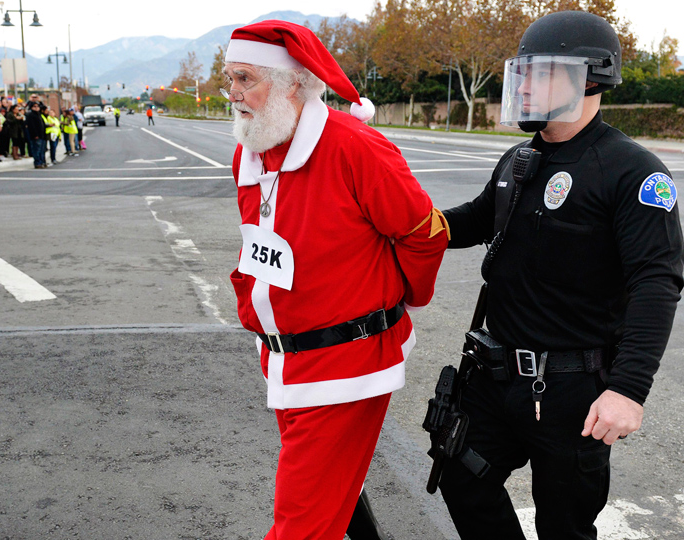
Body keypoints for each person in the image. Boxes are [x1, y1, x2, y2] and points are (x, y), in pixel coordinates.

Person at [438, 11, 684, 540]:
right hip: (493, 376)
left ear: (591, 77)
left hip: (573, 391)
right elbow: (470, 222)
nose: (526, 85)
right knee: (460, 478)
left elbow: (656, 282)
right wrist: (395, 219)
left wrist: (629, 391)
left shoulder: (632, 171)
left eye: (541, 72)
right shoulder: (519, 159)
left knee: (564, 527)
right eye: (522, 72)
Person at [223, 20, 448, 539]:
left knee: (300, 524)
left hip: (346, 364)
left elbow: (423, 233)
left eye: (245, 79)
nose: (232, 93)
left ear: (293, 85)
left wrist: (401, 303)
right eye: (228, 78)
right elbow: (260, 241)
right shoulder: (251, 148)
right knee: (328, 497)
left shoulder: (355, 147)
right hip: (283, 357)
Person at [25, 101, 47, 169]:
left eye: (37, 106)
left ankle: (42, 161)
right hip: (36, 136)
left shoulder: (39, 115)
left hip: (42, 135)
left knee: (42, 150)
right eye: (35, 106)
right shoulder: (31, 115)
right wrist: (35, 135)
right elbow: (31, 126)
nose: (37, 108)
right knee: (36, 150)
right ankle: (37, 163)